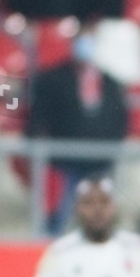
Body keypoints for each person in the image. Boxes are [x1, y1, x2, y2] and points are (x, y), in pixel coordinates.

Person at [27, 22, 130, 233]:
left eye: (91, 40)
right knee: (58, 218)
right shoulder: (52, 78)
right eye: (82, 40)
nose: (86, 45)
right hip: (64, 162)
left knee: (99, 218)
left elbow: (119, 118)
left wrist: (110, 149)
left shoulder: (110, 82)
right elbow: (37, 119)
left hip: (99, 163)